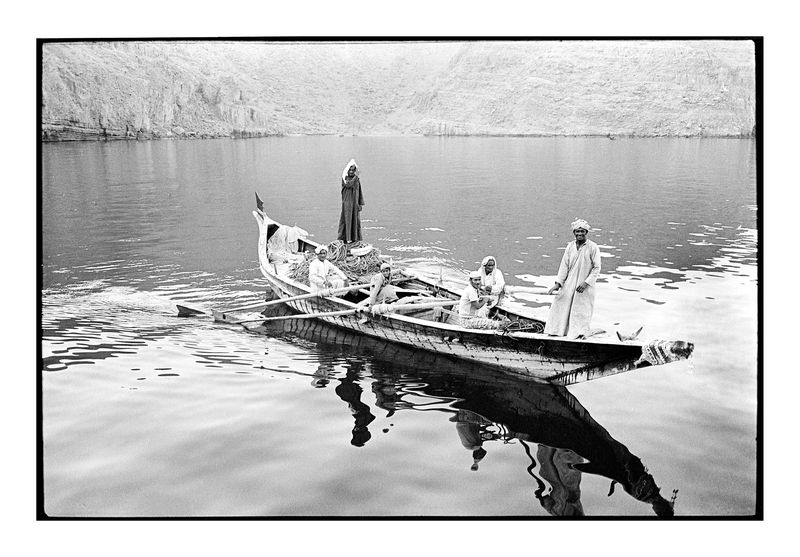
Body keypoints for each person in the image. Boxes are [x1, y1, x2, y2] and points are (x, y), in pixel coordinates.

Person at [544, 219, 601, 339]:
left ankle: (578, 334)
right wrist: (558, 284)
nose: (579, 234)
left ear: (586, 232)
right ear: (574, 233)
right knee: (561, 304)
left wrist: (586, 283)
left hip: (584, 285)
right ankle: (557, 331)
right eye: (577, 231)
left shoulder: (593, 247)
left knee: (581, 310)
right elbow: (564, 266)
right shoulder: (570, 246)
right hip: (569, 283)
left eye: (582, 231)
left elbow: (596, 268)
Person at [337, 159, 365, 244]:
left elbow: (359, 191)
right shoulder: (345, 178)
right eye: (350, 170)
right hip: (347, 203)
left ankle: (355, 239)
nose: (352, 172)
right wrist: (356, 177)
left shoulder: (356, 180)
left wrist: (360, 203)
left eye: (353, 170)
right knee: (346, 220)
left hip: (355, 203)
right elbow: (349, 185)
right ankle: (343, 238)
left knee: (355, 220)